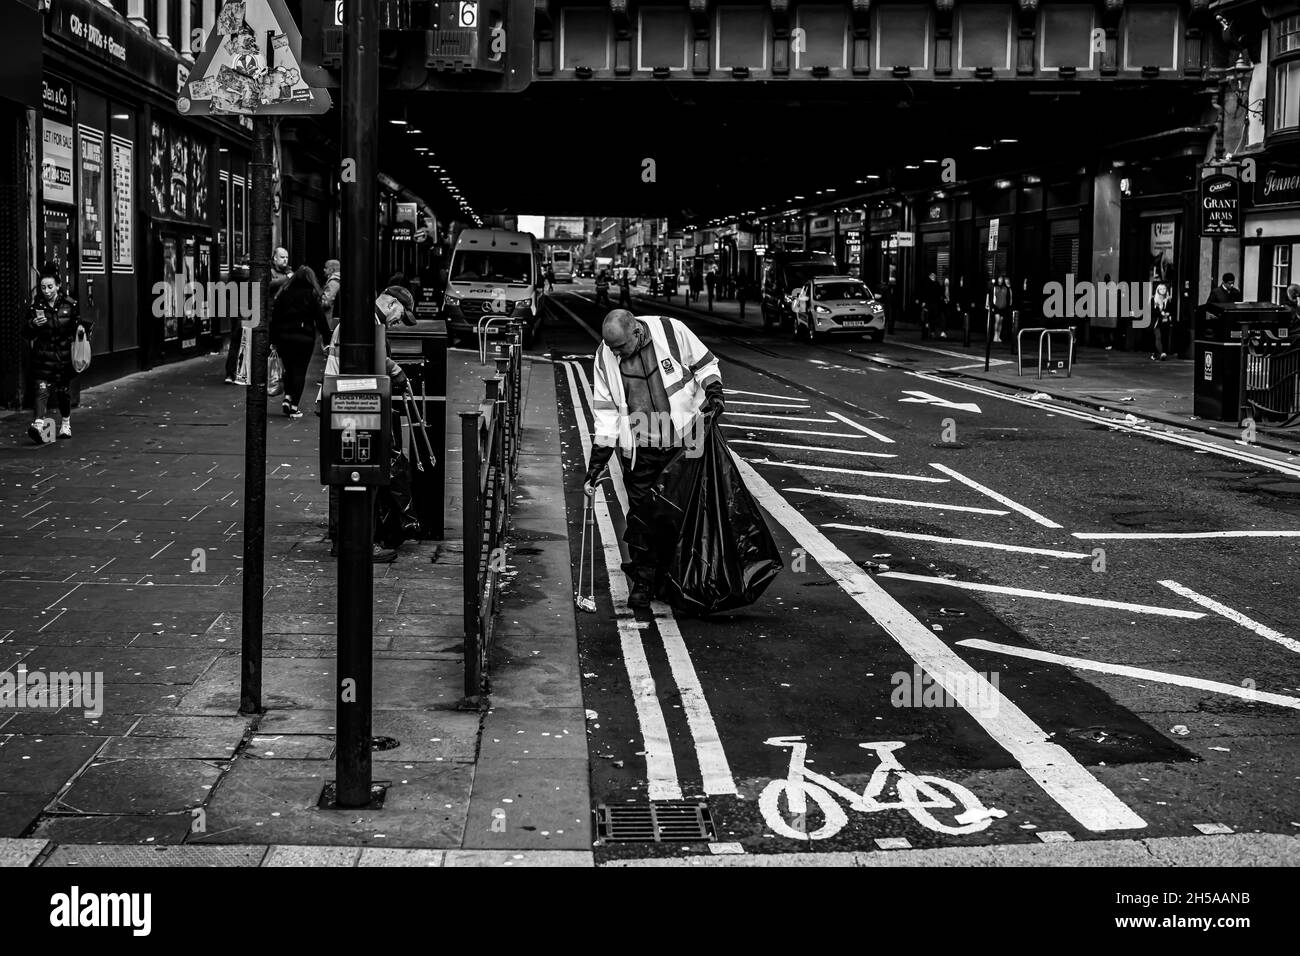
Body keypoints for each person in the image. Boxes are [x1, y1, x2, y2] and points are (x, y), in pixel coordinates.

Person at [583, 310, 724, 608]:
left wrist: (714, 392)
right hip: (641, 446)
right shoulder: (604, 356)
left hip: (685, 442)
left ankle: (681, 580)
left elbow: (706, 364)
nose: (614, 352)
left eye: (619, 346)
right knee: (642, 516)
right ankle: (644, 583)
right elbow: (606, 413)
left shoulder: (671, 330)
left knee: (682, 514)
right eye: (610, 346)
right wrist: (595, 466)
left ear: (636, 332)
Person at [24, 269, 90, 443]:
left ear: (58, 286)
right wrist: (33, 324)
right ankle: (38, 424)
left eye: (50, 287)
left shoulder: (70, 304)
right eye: (43, 287)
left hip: (63, 357)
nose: (46, 291)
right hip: (43, 356)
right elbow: (26, 333)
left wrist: (82, 331)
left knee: (63, 392)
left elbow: (78, 326)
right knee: (42, 389)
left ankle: (66, 424)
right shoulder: (35, 306)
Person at [270, 265, 330, 419]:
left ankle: (288, 397)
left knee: (289, 368)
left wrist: (272, 339)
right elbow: (320, 319)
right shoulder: (311, 294)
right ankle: (294, 405)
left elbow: (274, 317)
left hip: (284, 337)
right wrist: (327, 339)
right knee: (300, 371)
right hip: (304, 338)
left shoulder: (284, 293)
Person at [1150, 282, 1174, 361]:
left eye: (1164, 289)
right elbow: (1152, 311)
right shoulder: (1154, 299)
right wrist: (1160, 313)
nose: (1162, 290)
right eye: (1160, 289)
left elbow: (1172, 310)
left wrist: (1168, 313)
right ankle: (1160, 353)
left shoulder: (1169, 299)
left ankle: (1161, 353)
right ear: (1157, 290)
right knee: (1158, 336)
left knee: (1165, 337)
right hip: (1156, 321)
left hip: (1165, 321)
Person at [320, 259, 342, 331]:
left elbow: (326, 302)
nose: (324, 270)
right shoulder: (340, 280)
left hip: (329, 319)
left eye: (326, 268)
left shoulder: (333, 283)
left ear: (331, 269)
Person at [990, 275, 1012, 344]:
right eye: (999, 279)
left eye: (1001, 279)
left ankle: (998, 336)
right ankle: (995, 335)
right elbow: (993, 297)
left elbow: (1009, 297)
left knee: (1001, 322)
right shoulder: (995, 287)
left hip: (1004, 307)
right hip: (997, 306)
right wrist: (993, 306)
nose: (1001, 280)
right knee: (997, 320)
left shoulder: (1005, 288)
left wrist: (1008, 306)